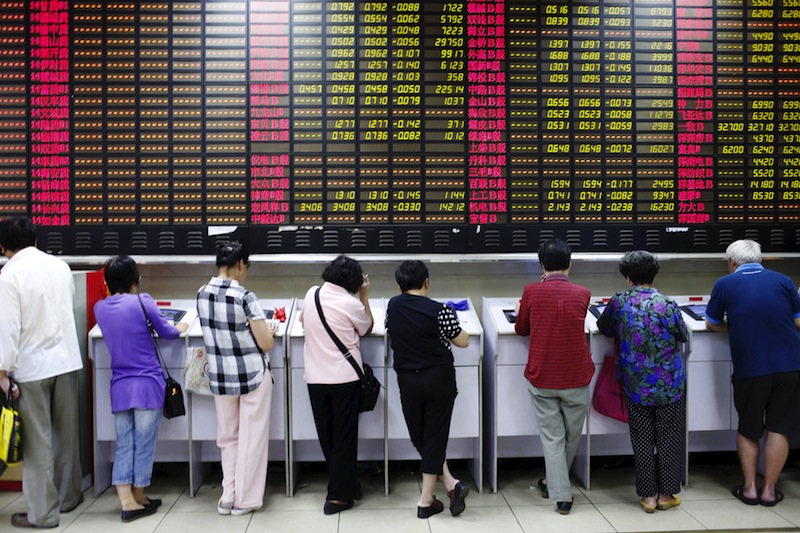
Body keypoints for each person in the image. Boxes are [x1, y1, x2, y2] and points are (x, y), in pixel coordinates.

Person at [0, 217, 84, 529]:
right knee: (66, 438)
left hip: (32, 367)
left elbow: (7, 329)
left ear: (4, 247)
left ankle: (44, 514)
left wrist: (3, 373)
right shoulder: (60, 267)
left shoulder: (9, 276)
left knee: (38, 444)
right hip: (66, 360)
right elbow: (70, 307)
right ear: (35, 238)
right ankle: (68, 498)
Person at [705, 239, 800, 507]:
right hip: (790, 365)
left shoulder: (725, 284)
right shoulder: (784, 280)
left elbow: (712, 324)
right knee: (779, 428)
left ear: (732, 262)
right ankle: (769, 491)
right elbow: (797, 321)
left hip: (752, 367)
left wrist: (734, 328)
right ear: (760, 259)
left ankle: (749, 489)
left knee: (749, 428)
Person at [94, 256, 189, 522]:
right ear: (135, 281)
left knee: (124, 444)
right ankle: (134, 498)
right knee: (144, 444)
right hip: (148, 385)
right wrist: (179, 327)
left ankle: (130, 499)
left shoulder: (99, 308)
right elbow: (168, 333)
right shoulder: (142, 301)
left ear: (108, 282)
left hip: (120, 387)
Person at [597, 250, 688, 513]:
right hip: (669, 384)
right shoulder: (668, 303)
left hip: (635, 384)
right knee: (669, 438)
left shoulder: (620, 301)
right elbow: (682, 334)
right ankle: (666, 494)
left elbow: (606, 328)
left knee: (642, 438)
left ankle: (647, 497)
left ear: (628, 277)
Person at [196, 242, 277, 516]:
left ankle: (227, 496)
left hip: (220, 376)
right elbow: (265, 343)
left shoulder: (201, 294)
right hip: (251, 374)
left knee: (228, 437)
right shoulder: (245, 296)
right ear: (241, 264)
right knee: (252, 438)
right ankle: (246, 500)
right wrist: (270, 330)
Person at [513, 239, 593, 515]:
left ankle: (560, 493)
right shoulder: (583, 293)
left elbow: (521, 329)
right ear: (569, 264)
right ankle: (557, 486)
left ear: (542, 265)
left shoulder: (531, 292)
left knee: (553, 437)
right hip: (577, 374)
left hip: (543, 374)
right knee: (570, 436)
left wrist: (521, 306)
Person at [386, 260, 471, 519]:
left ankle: (444, 487)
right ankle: (430, 498)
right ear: (426, 282)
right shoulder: (439, 310)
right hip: (439, 379)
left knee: (419, 434)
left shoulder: (393, 306)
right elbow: (463, 341)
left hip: (407, 380)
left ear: (400, 286)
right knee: (434, 435)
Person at [299, 255, 373, 515]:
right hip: (344, 379)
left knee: (328, 435)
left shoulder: (312, 295)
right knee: (344, 436)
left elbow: (302, 320)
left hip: (315, 378)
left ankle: (346, 483)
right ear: (354, 281)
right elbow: (366, 327)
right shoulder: (350, 303)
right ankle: (339, 496)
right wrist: (364, 295)